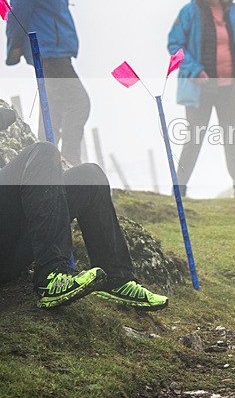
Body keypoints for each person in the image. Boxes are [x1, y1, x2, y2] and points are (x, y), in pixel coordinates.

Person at [0, 108, 168, 310]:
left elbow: (8, 115)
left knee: (89, 177)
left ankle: (116, 279)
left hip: (13, 243)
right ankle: (51, 277)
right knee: (43, 151)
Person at [3, 0, 90, 167]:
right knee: (78, 103)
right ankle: (68, 161)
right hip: (48, 51)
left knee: (53, 111)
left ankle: (48, 164)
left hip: (55, 49)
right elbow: (19, 8)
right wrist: (14, 45)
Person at [168, 0, 235, 197]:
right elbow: (174, 45)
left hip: (230, 88)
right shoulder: (189, 12)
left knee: (232, 136)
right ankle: (179, 190)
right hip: (200, 88)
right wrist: (195, 70)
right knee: (193, 139)